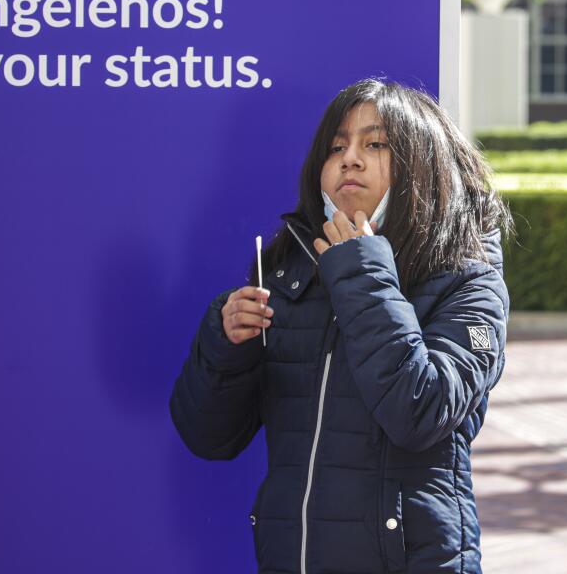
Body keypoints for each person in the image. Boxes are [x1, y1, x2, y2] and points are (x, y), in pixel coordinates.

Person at [169, 79, 511, 573]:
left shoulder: (469, 281)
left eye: (375, 144)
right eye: (336, 147)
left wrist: (361, 272)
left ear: (422, 164)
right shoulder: (287, 270)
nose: (350, 159)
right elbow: (208, 437)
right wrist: (226, 345)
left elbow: (420, 412)